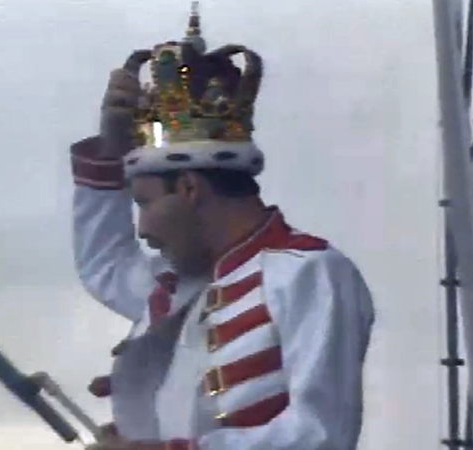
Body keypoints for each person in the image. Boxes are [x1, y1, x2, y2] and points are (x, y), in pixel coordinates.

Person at [70, 3, 375, 449]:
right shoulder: (180, 285)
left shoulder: (307, 272)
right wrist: (112, 145)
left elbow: (320, 434)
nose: (141, 228)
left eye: (144, 203)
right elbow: (103, 263)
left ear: (190, 188)